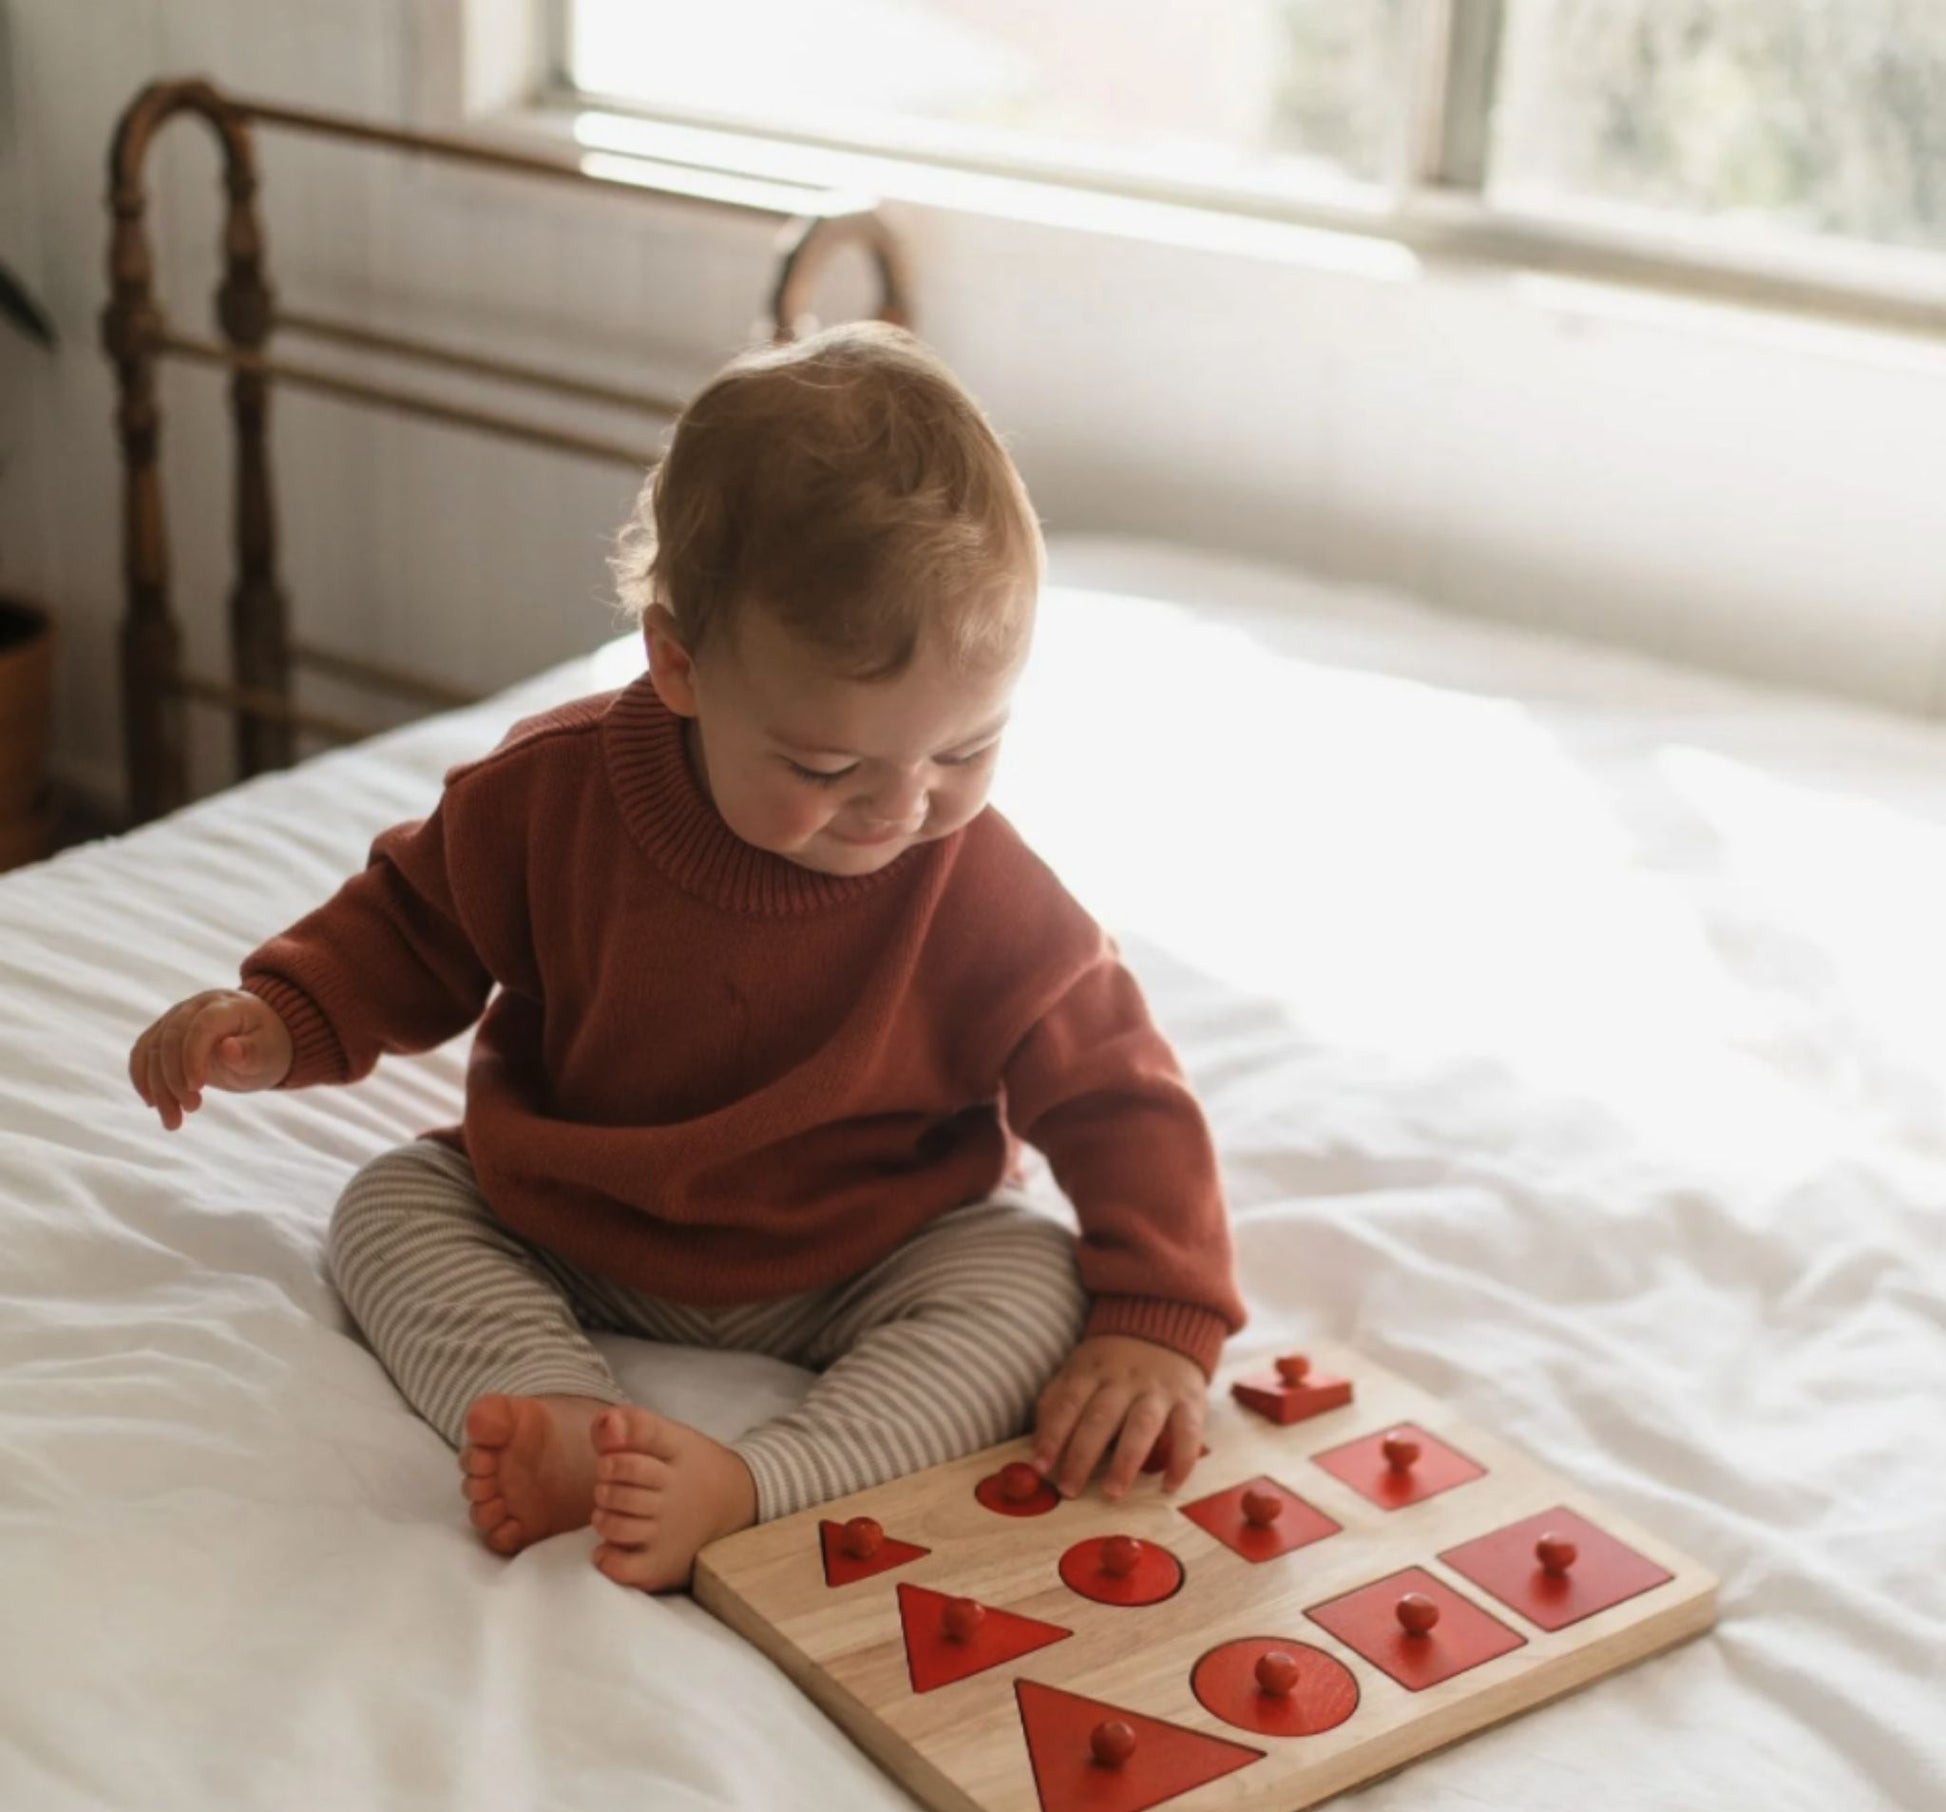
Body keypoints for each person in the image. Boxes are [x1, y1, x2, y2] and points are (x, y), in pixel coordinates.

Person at [126, 322, 1243, 1592]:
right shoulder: (546, 797)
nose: (900, 808)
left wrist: (1161, 1315)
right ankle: (557, 1415)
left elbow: (1115, 1084)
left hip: (868, 1246)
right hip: (576, 1217)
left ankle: (760, 1484)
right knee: (387, 1205)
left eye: (963, 751)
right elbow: (412, 922)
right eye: (827, 767)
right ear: (678, 662)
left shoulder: (982, 881)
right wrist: (281, 1017)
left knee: (1030, 1281)